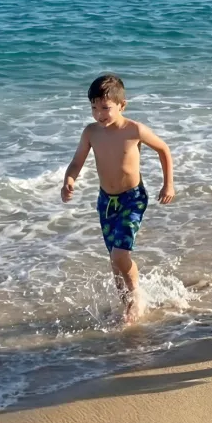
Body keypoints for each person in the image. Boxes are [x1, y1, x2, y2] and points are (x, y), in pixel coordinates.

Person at [62, 74, 175, 324]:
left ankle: (137, 297)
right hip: (106, 202)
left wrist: (168, 184)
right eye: (94, 108)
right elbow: (77, 161)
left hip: (132, 198)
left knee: (119, 255)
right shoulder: (91, 132)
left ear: (122, 105)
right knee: (114, 260)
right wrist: (69, 179)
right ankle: (126, 304)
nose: (99, 114)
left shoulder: (134, 130)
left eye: (105, 108)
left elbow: (164, 150)